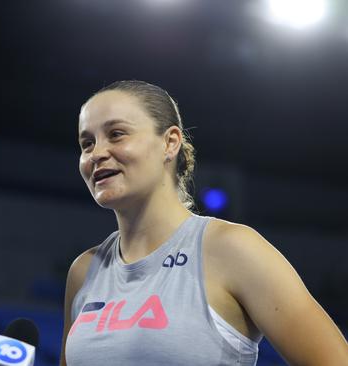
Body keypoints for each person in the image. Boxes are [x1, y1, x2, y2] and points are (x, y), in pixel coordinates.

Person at [60, 80, 348, 365]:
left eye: (117, 134)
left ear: (169, 142)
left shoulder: (232, 249)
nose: (96, 154)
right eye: (87, 143)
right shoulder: (84, 271)